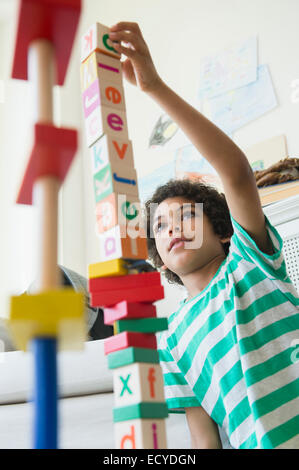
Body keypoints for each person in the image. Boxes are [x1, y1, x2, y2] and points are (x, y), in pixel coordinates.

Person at [108, 22, 299, 449]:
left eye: (184, 216)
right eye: (159, 226)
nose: (170, 227)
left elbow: (235, 173)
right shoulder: (171, 339)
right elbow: (203, 436)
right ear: (156, 252)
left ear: (224, 232)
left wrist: (154, 86)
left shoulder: (249, 262)